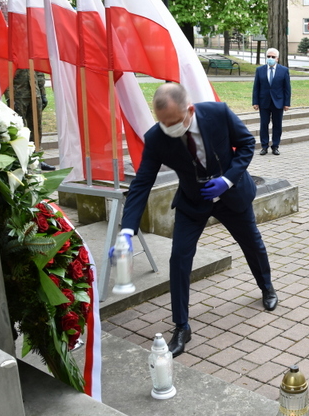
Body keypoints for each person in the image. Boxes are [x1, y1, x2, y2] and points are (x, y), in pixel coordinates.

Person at [116, 83, 278, 357]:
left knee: (253, 244)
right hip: (193, 202)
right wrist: (127, 229)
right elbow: (143, 181)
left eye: (174, 123)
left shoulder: (217, 113)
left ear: (189, 110)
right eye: (163, 124)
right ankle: (181, 327)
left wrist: (227, 180)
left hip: (231, 194)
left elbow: (247, 144)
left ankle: (267, 287)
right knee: (178, 259)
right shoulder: (157, 137)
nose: (169, 129)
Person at [9, 68, 55, 171]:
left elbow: (38, 71)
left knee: (36, 128)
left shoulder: (31, 52)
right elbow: (4, 73)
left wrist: (42, 93)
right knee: (20, 129)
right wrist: (9, 97)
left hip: (35, 94)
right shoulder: (13, 52)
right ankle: (22, 160)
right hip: (18, 95)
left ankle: (37, 158)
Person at [252, 47, 291, 155]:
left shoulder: (284, 70)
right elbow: (256, 87)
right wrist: (255, 102)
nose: (270, 58)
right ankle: (264, 146)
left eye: (273, 57)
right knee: (264, 125)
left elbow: (287, 88)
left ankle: (275, 146)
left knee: (277, 125)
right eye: (268, 56)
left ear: (277, 59)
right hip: (264, 101)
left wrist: (287, 103)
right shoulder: (260, 70)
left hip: (278, 102)